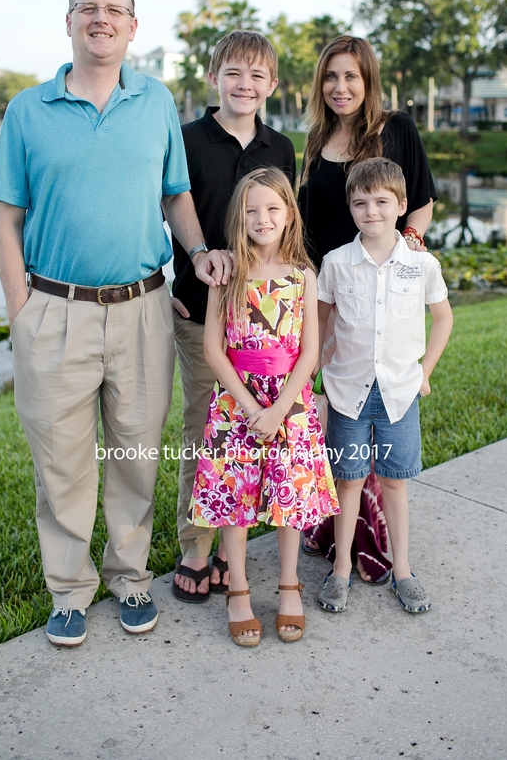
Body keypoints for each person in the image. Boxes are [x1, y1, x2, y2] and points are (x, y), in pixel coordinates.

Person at [0, 0, 229, 647]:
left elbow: (175, 195)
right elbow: (7, 219)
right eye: (86, 7)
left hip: (142, 307)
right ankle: (68, 590)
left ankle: (129, 577)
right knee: (62, 460)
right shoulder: (27, 111)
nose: (100, 18)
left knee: (135, 451)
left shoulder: (154, 102)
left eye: (113, 8)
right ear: (68, 21)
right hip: (55, 311)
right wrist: (20, 309)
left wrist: (199, 250)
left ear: (132, 25)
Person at [298, 35, 436, 583]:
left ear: (368, 79)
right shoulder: (314, 139)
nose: (341, 87)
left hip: (380, 289)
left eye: (351, 76)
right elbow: (304, 222)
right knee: (341, 408)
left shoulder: (396, 128)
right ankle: (337, 533)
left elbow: (420, 199)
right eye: (331, 77)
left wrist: (408, 246)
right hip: (329, 290)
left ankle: (378, 541)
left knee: (381, 409)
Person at [188, 167, 339, 645]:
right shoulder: (227, 273)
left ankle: (289, 586)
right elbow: (213, 349)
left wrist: (277, 411)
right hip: (236, 403)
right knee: (235, 498)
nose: (262, 218)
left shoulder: (302, 275)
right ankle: (238, 590)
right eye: (252, 210)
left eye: (273, 208)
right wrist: (252, 406)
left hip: (290, 405)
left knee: (288, 498)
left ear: (289, 214)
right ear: (240, 216)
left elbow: (310, 351)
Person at [170, 31, 296, 603]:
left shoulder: (281, 147)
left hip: (266, 326)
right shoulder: (188, 138)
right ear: (214, 76)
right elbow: (166, 209)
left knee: (249, 437)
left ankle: (231, 548)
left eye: (257, 76)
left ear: (271, 85)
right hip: (202, 312)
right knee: (205, 428)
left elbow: (285, 228)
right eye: (234, 73)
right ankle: (196, 545)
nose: (245, 85)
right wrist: (184, 269)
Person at [316, 158, 453, 613]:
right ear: (350, 208)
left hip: (400, 394)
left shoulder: (421, 264)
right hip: (346, 393)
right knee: (348, 480)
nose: (370, 211)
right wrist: (315, 375)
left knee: (395, 483)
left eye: (381, 202)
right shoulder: (336, 263)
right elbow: (319, 324)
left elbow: (443, 319)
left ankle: (403, 570)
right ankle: (339, 573)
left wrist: (425, 371)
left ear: (401, 205)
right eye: (360, 203)